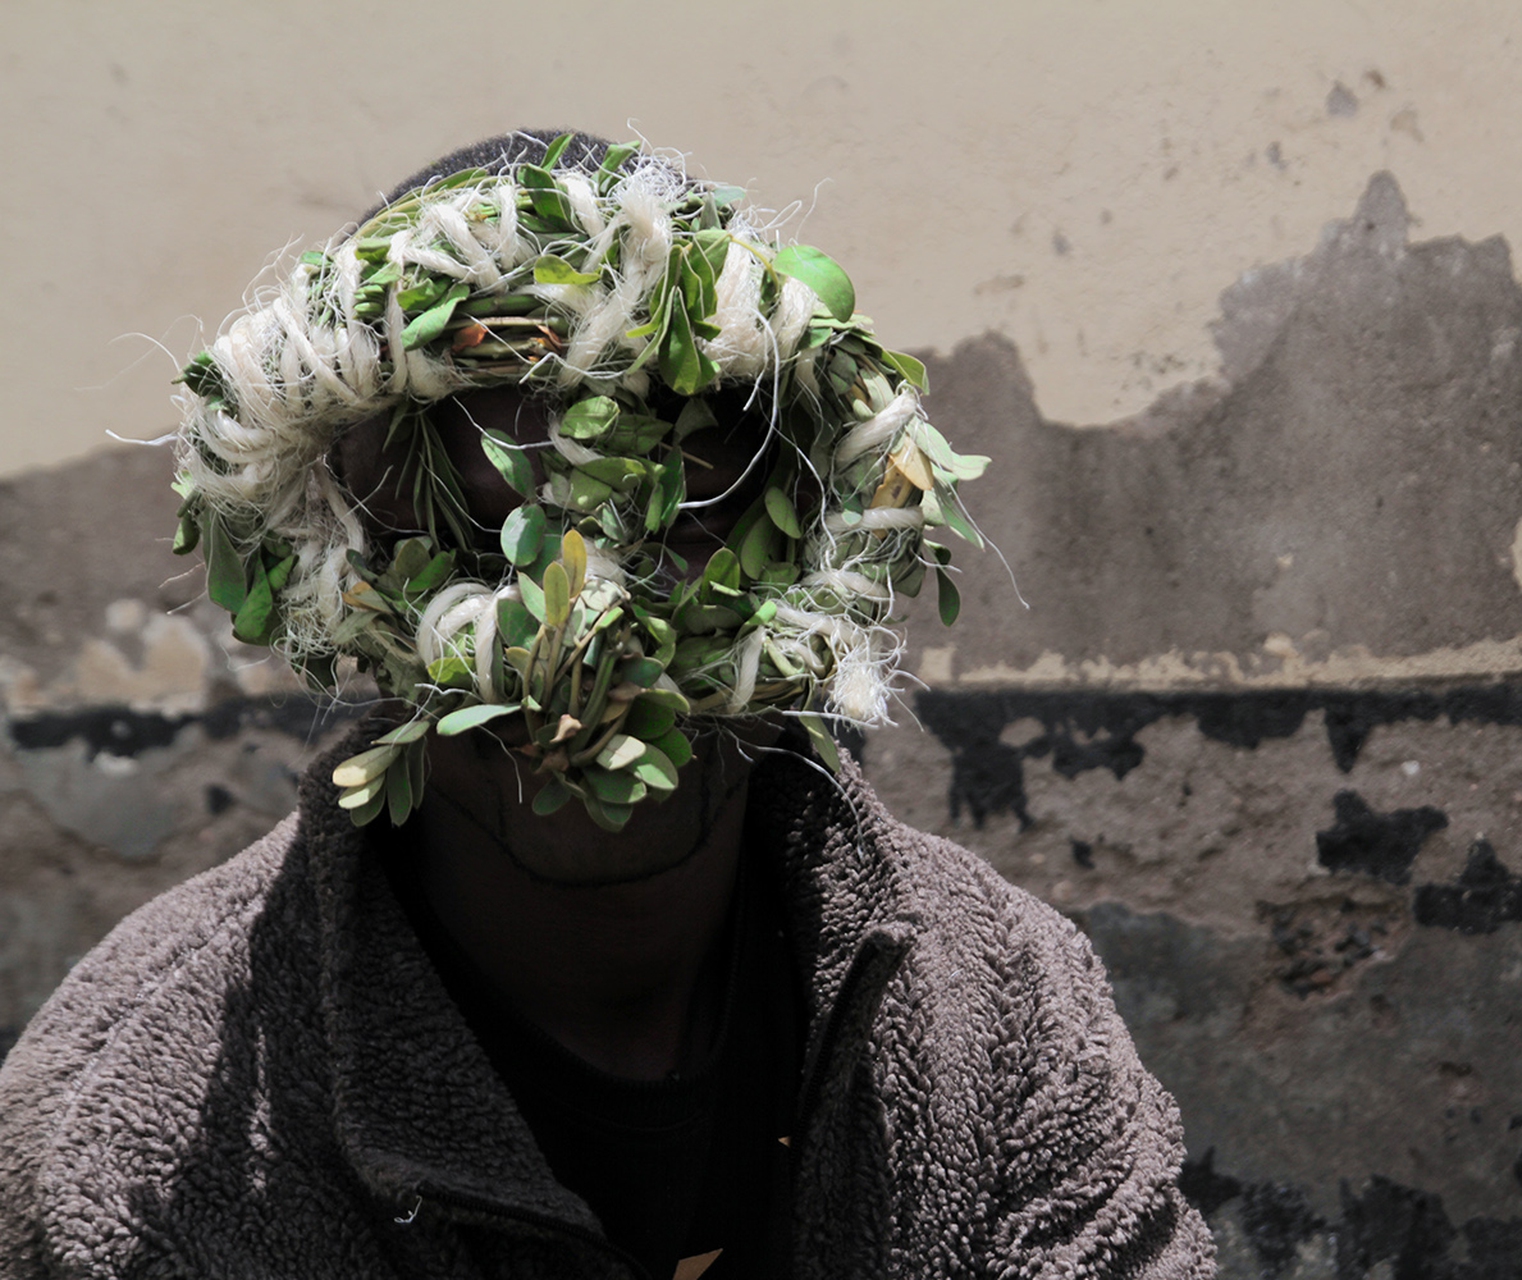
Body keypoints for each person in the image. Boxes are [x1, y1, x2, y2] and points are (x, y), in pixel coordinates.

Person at [0, 132, 1214, 1279]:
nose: (583, 641)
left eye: (675, 524)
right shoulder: (134, 1137)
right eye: (478, 544)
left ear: (804, 563)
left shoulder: (997, 1006)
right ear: (341, 583)